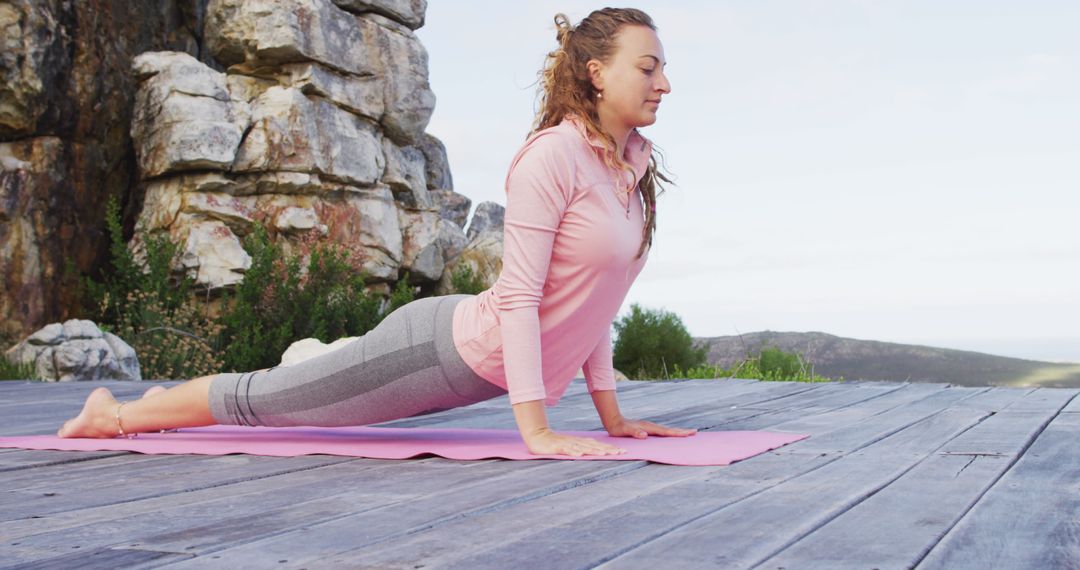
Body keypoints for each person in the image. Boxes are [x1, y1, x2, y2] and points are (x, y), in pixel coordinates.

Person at [57, 7, 697, 457]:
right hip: (436, 353)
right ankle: (112, 415)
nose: (663, 82)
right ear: (595, 73)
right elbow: (524, 299)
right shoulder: (551, 157)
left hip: (459, 366)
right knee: (270, 401)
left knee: (301, 385)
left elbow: (595, 304)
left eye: (662, 69)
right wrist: (537, 432)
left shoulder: (626, 171)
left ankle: (297, 367)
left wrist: (613, 419)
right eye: (648, 68)